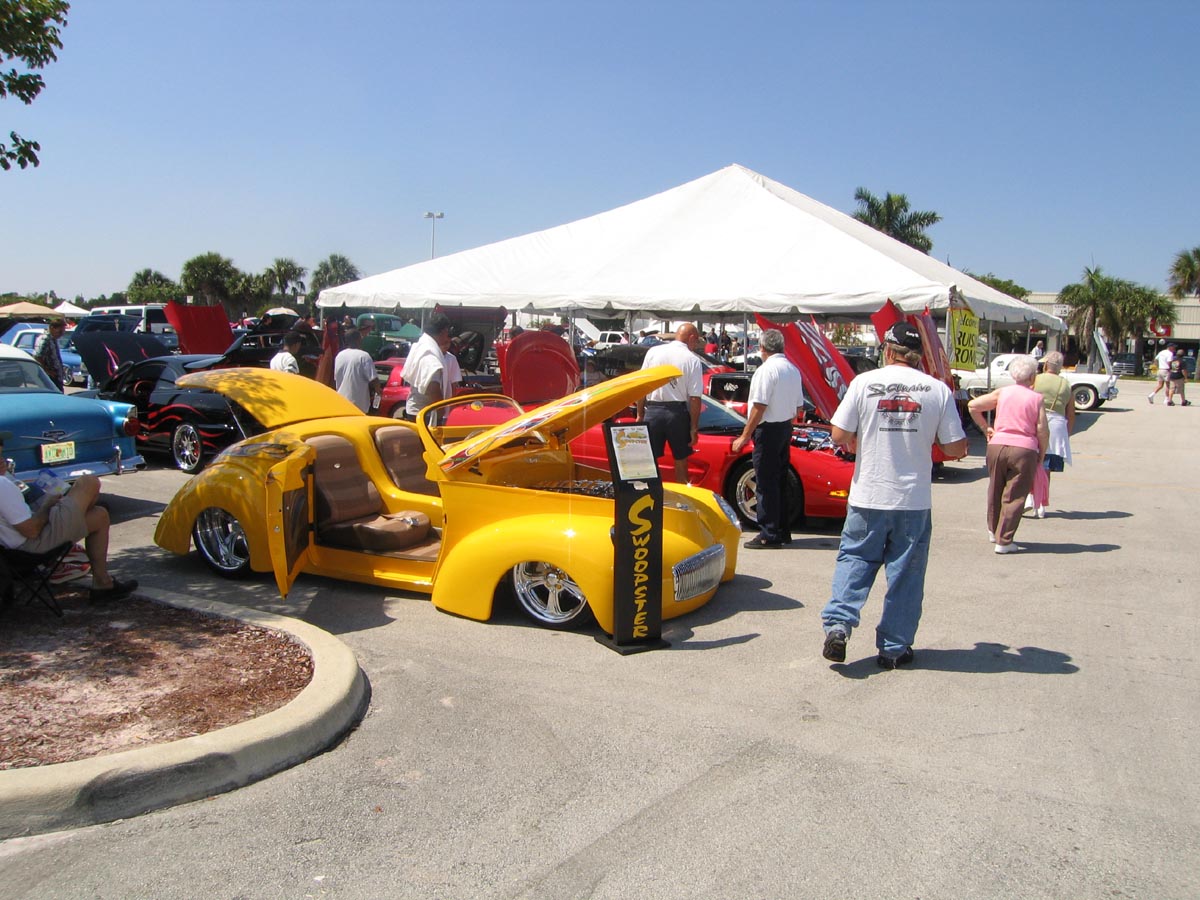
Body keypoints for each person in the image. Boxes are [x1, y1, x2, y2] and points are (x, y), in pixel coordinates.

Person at [820, 321, 968, 669]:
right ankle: (893, 648)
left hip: (869, 494)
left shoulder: (864, 383)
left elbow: (839, 434)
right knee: (906, 574)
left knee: (855, 560)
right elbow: (956, 446)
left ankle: (838, 626)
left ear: (887, 350)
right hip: (912, 499)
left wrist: (862, 436)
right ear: (918, 356)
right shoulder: (937, 390)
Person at [0, 434, 138, 602]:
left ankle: (103, 583)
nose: (2, 461)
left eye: (2, 455)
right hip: (29, 547)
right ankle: (73, 521)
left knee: (99, 515)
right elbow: (31, 531)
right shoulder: (2, 485)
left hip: (12, 549)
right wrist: (47, 507)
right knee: (89, 482)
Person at [730, 329, 805, 549]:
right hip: (784, 426)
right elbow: (798, 407)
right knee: (779, 480)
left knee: (765, 482)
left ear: (762, 348)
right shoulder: (792, 369)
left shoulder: (766, 371)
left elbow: (759, 406)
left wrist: (745, 435)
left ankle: (768, 533)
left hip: (768, 429)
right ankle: (781, 530)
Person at [968, 355, 1049, 554]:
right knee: (1015, 494)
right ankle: (1004, 540)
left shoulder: (1002, 392)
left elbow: (973, 406)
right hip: (1024, 448)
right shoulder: (1036, 398)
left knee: (995, 488)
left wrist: (986, 427)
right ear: (1032, 376)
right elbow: (1042, 429)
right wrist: (1042, 451)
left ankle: (993, 529)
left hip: (997, 444)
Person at [635, 323, 703, 483]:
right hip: (676, 413)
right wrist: (694, 427)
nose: (696, 345)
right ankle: (682, 495)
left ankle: (648, 493)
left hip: (653, 410)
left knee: (648, 461)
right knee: (681, 460)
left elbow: (641, 385)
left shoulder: (654, 352)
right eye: (696, 341)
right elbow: (695, 398)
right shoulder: (692, 359)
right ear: (691, 338)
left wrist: (640, 414)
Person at [1027, 351, 1075, 517]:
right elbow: (1071, 414)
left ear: (1046, 364)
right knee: (1046, 465)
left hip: (1037, 421)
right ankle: (1041, 503)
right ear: (1060, 367)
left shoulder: (1036, 379)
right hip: (1057, 426)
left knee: (1031, 461)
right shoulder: (1066, 385)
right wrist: (1067, 434)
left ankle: (1030, 497)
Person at [403, 312, 453, 420]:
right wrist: (440, 411)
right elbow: (432, 386)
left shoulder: (423, 345)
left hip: (420, 411)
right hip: (424, 414)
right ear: (443, 331)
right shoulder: (429, 353)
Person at [333, 329, 379, 413]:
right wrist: (378, 393)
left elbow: (336, 379)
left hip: (341, 402)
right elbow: (373, 380)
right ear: (358, 340)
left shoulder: (339, 356)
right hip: (358, 405)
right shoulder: (364, 356)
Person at [33, 318, 68, 392]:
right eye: (60, 331)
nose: (61, 334)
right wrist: (47, 371)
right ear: (52, 328)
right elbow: (37, 357)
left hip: (57, 376)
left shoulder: (53, 339)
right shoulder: (45, 339)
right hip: (50, 377)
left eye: (63, 331)